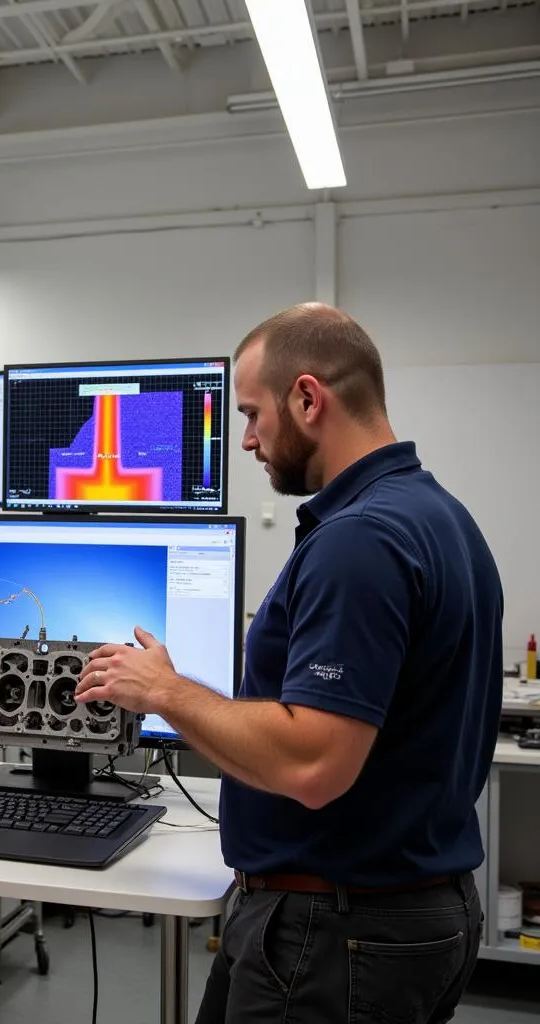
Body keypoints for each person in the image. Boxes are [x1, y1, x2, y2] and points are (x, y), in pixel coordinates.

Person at [75, 303, 503, 1024]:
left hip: (337, 934)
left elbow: (314, 763)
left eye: (251, 414)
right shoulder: (439, 516)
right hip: (396, 915)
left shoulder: (360, 540)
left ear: (308, 398)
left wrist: (170, 694)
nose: (246, 440)